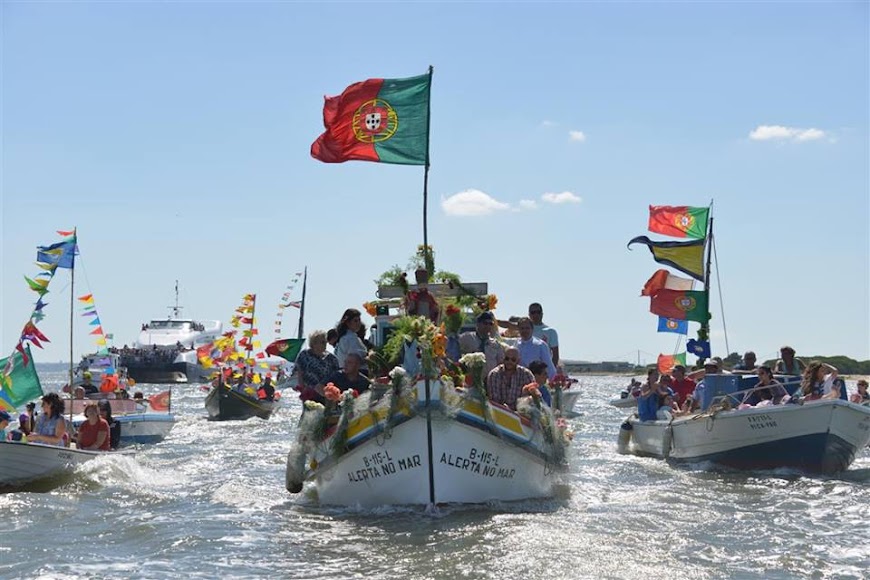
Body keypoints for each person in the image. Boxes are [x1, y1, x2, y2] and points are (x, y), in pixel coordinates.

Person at [294, 330, 340, 404]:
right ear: (314, 343)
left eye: (325, 342)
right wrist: (302, 388)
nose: (325, 344)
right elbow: (300, 372)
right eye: (322, 342)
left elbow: (337, 375)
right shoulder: (305, 355)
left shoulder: (331, 358)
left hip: (326, 393)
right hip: (309, 392)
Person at [528, 302, 560, 367]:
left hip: (543, 369)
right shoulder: (524, 330)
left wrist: (551, 371)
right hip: (527, 367)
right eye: (533, 312)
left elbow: (555, 355)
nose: (536, 315)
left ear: (542, 314)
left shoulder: (551, 331)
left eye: (538, 312)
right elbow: (508, 324)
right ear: (529, 315)